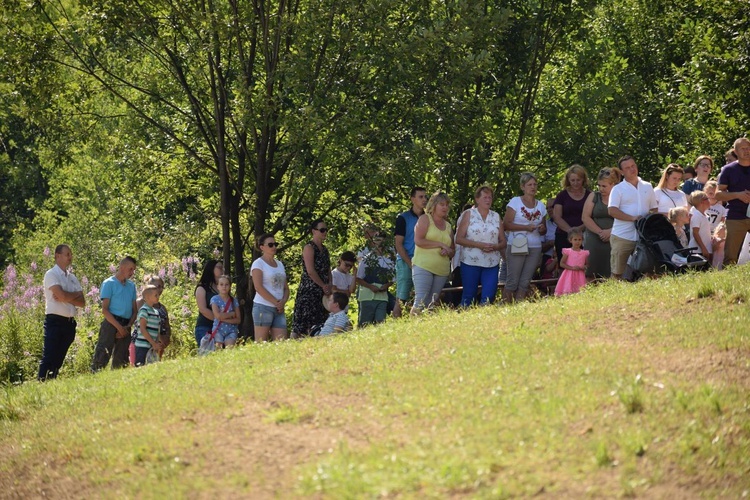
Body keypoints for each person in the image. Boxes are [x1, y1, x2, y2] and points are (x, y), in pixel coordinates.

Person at [38, 244, 85, 380]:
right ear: (57, 256)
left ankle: (51, 382)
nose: (70, 257)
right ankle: (42, 384)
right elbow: (66, 296)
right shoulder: (51, 274)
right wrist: (74, 295)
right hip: (55, 321)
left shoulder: (72, 277)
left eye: (71, 254)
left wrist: (66, 296)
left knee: (59, 358)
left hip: (69, 324)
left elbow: (82, 302)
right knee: (50, 356)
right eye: (67, 254)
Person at [607, 156, 657, 279]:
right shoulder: (617, 189)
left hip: (643, 236)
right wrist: (632, 218)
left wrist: (649, 222)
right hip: (622, 235)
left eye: (633, 166)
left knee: (647, 269)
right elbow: (612, 210)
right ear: (622, 172)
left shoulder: (647, 186)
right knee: (617, 271)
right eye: (627, 168)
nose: (632, 169)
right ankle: (614, 295)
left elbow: (654, 208)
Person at [455, 185, 506, 306]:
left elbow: (503, 241)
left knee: (489, 296)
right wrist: (479, 245)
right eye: (485, 197)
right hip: (470, 261)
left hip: (491, 262)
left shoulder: (496, 216)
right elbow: (459, 239)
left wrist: (495, 247)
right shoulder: (469, 214)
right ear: (477, 199)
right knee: (469, 295)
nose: (488, 200)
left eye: (490, 197)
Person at [503, 172, 547, 302]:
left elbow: (544, 229)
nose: (533, 187)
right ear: (523, 187)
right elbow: (506, 224)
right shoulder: (515, 202)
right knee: (513, 280)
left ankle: (519, 306)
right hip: (517, 244)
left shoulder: (541, 206)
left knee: (525, 281)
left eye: (535, 184)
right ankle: (505, 306)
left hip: (535, 246)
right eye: (529, 184)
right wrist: (526, 228)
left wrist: (542, 229)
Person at [91, 256, 138, 371]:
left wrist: (127, 327)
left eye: (133, 270)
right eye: (130, 269)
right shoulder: (109, 283)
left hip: (126, 324)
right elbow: (105, 310)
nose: (132, 272)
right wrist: (118, 328)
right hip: (111, 323)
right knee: (102, 354)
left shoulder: (131, 286)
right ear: (122, 267)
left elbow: (135, 310)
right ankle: (94, 379)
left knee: (122, 359)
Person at [411, 192, 454, 314]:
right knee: (420, 301)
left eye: (447, 205)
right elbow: (418, 241)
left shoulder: (448, 226)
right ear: (434, 205)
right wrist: (440, 244)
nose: (445, 207)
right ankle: (412, 329)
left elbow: (453, 250)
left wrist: (448, 251)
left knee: (432, 303)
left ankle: (426, 329)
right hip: (423, 266)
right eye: (442, 204)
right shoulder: (425, 219)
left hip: (441, 270)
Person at [292, 218, 332, 337]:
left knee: (320, 323)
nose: (324, 232)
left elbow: (328, 269)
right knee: (303, 324)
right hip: (309, 291)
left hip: (322, 293)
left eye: (326, 230)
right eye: (322, 230)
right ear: (313, 231)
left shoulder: (325, 250)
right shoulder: (309, 247)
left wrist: (329, 284)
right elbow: (310, 271)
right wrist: (323, 285)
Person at [716, 137, 750, 265]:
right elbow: (718, 194)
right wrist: (737, 195)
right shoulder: (729, 170)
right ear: (735, 152)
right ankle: (729, 281)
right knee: (731, 255)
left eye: (748, 148)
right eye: (743, 149)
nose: (747, 151)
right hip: (736, 216)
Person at [582, 167, 620, 279]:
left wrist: (610, 232)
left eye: (604, 186)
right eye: (599, 185)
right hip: (594, 237)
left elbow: (625, 218)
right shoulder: (594, 196)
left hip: (615, 236)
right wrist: (600, 232)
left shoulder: (620, 198)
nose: (601, 189)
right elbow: (585, 217)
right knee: (591, 269)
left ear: (613, 185)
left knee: (611, 269)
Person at [251, 234, 289, 342]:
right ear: (262, 247)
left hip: (279, 309)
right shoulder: (258, 264)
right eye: (270, 245)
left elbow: (286, 288)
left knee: (281, 343)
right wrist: (277, 302)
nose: (274, 247)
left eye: (275, 244)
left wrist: (283, 302)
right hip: (263, 306)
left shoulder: (280, 264)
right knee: (261, 342)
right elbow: (258, 287)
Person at [394, 187, 427, 308]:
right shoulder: (403, 218)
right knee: (402, 296)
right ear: (412, 199)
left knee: (425, 295)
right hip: (405, 260)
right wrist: (410, 263)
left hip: (424, 261)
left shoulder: (429, 218)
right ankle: (396, 321)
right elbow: (398, 244)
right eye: (420, 197)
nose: (424, 200)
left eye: (425, 197)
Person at [551, 164, 591, 264]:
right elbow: (557, 217)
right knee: (563, 265)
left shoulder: (590, 195)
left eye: (578, 180)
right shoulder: (562, 195)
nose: (575, 183)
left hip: (584, 236)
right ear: (568, 180)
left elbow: (592, 216)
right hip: (563, 235)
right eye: (572, 180)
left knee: (582, 264)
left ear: (583, 179)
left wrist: (580, 229)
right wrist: (571, 231)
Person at [356, 230, 396, 326]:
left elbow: (393, 279)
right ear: (373, 242)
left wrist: (386, 286)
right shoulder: (366, 259)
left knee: (380, 323)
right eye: (377, 240)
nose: (379, 243)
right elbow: (358, 278)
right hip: (367, 297)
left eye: (381, 241)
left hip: (382, 297)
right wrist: (370, 286)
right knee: (364, 324)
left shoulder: (389, 260)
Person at [129, 274, 172, 365]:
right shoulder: (141, 304)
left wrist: (164, 340)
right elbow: (141, 326)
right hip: (141, 343)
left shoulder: (161, 308)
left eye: (162, 287)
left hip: (156, 345)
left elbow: (165, 326)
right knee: (140, 366)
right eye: (158, 286)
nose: (160, 290)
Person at [194, 260, 223, 347]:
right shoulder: (202, 288)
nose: (223, 269)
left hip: (221, 328)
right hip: (205, 327)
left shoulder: (222, 288)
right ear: (211, 269)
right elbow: (203, 309)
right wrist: (219, 319)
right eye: (219, 267)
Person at [134, 284, 163, 366]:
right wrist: (153, 343)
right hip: (142, 346)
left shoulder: (156, 312)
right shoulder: (144, 310)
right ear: (147, 297)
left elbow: (157, 329)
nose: (158, 297)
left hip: (152, 346)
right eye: (155, 295)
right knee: (141, 366)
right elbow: (142, 329)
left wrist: (157, 343)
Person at [554, 228, 589, 296]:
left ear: (582, 240)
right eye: (575, 239)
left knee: (580, 290)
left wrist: (582, 267)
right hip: (569, 274)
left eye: (579, 240)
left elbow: (587, 264)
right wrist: (571, 268)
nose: (577, 242)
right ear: (570, 240)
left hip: (580, 274)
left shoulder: (584, 253)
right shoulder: (568, 252)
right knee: (568, 289)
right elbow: (561, 263)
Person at [210, 275, 241, 349]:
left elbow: (238, 320)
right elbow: (217, 316)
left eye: (226, 284)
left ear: (230, 286)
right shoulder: (214, 299)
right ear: (217, 286)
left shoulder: (234, 301)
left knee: (230, 349)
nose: (224, 287)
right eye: (221, 284)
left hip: (231, 330)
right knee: (218, 350)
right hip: (218, 329)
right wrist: (231, 314)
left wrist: (223, 318)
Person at [704, 180, 727, 268]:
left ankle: (713, 267)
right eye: (710, 193)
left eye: (715, 193)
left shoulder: (721, 209)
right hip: (703, 232)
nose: (713, 196)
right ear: (705, 192)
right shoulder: (701, 205)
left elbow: (722, 222)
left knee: (714, 253)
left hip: (714, 234)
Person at [688, 191, 713, 262]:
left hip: (706, 249)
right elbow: (695, 233)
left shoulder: (704, 215)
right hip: (698, 250)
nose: (709, 200)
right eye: (707, 198)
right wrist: (703, 249)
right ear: (702, 201)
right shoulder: (696, 215)